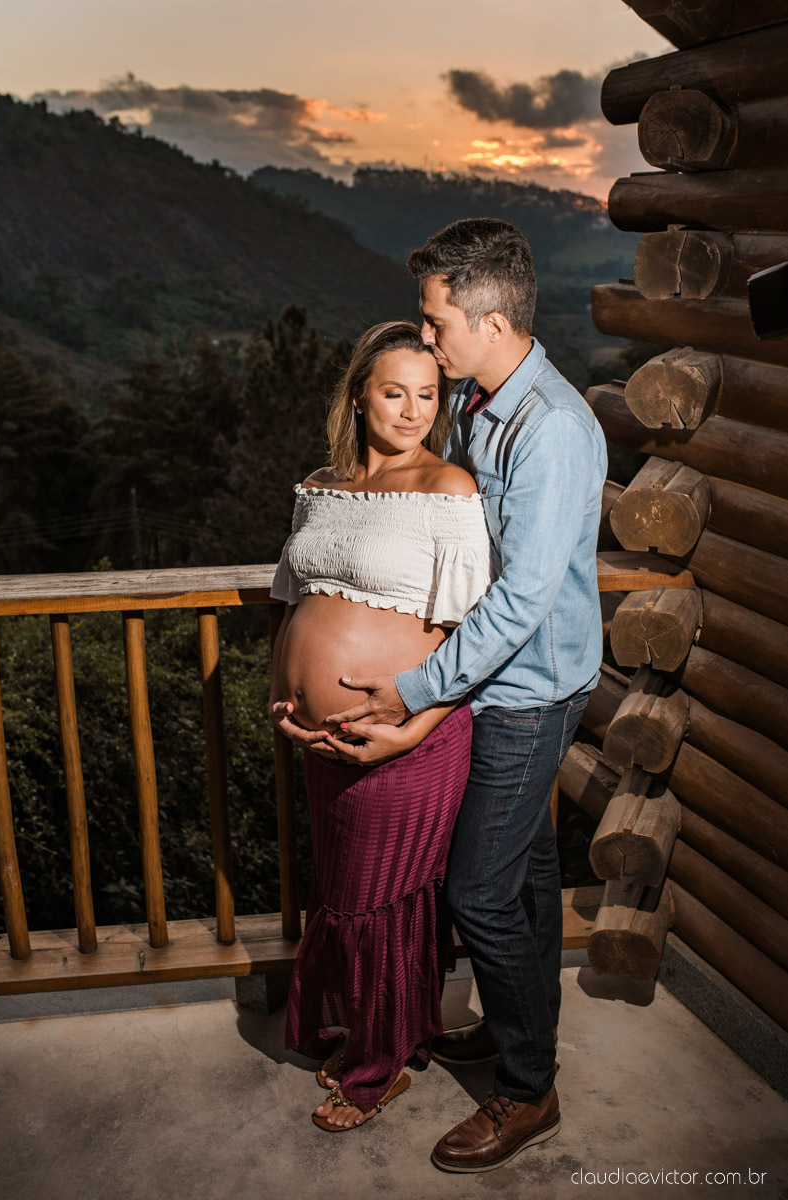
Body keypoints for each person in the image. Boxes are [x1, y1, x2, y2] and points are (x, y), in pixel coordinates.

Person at [314, 218, 608, 1173]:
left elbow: (521, 599)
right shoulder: (487, 405)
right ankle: (521, 1038)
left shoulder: (553, 429)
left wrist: (412, 690)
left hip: (527, 694)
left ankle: (528, 1092)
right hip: (495, 687)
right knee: (521, 880)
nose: (427, 338)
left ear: (485, 317)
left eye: (436, 321)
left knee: (479, 892)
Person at [267, 320, 493, 1132]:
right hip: (323, 741)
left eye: (426, 396)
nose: (410, 411)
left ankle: (377, 1069)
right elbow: (292, 601)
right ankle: (375, 1031)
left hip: (408, 741)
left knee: (376, 903)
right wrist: (284, 696)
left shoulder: (449, 490)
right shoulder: (321, 485)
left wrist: (415, 727)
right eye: (393, 392)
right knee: (342, 893)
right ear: (359, 395)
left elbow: (473, 637)